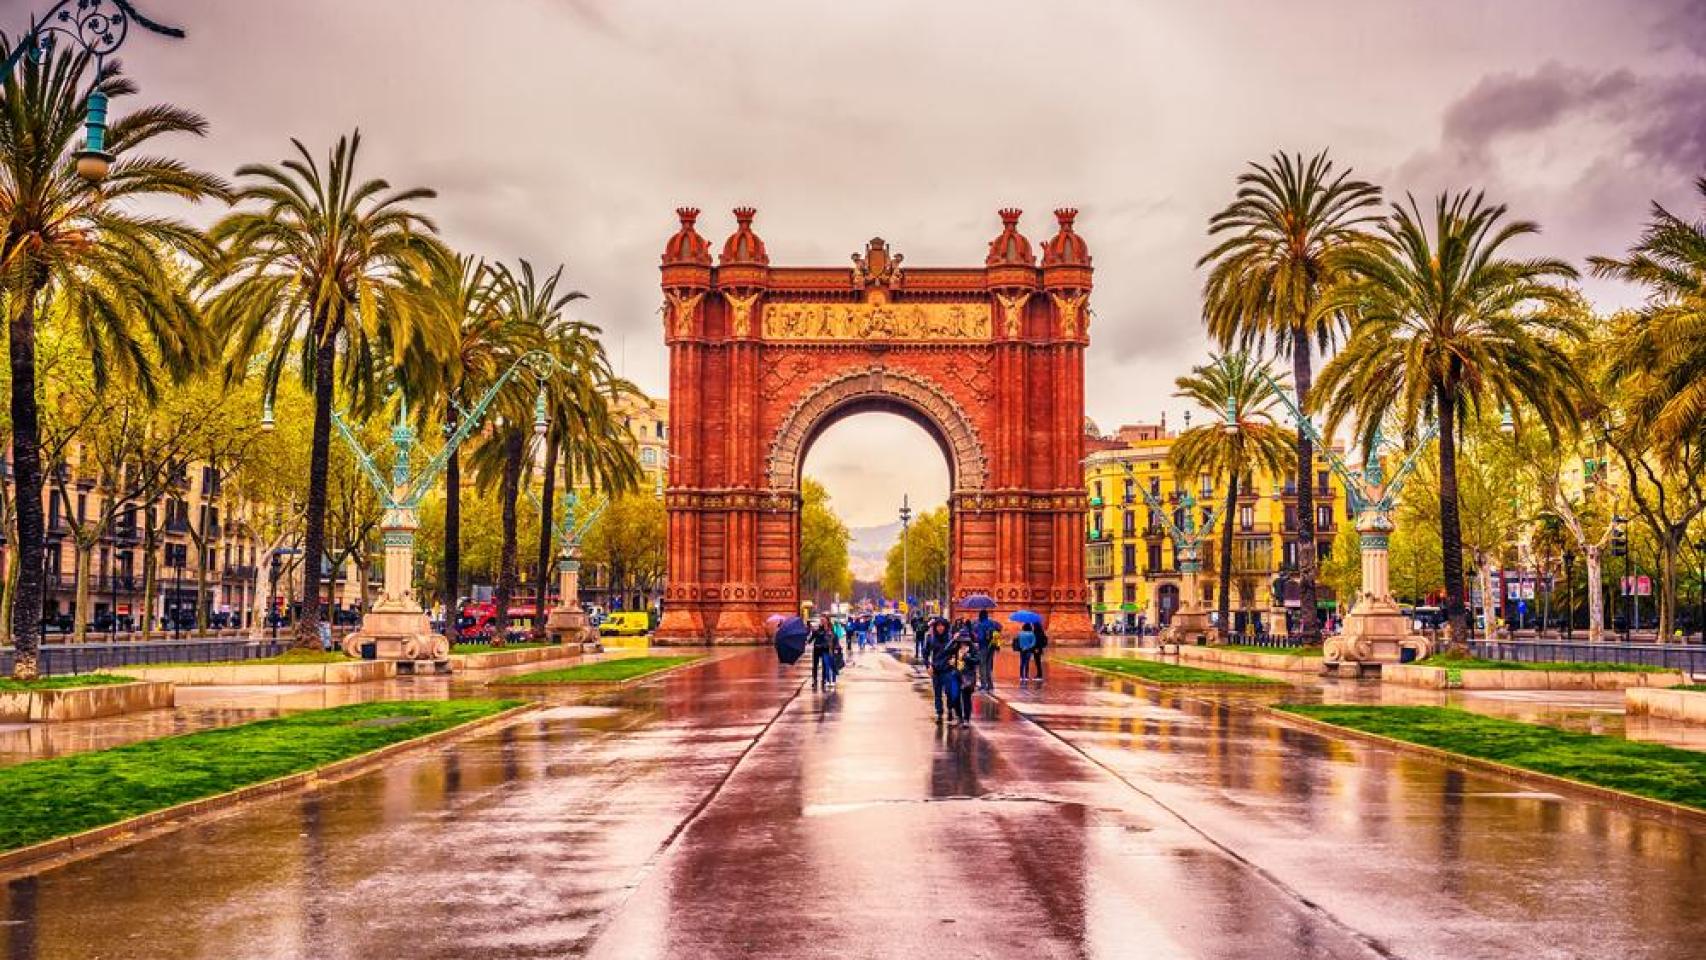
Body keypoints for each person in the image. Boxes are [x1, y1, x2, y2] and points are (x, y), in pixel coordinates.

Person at [925, 618, 955, 722]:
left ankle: (950, 709)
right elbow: (926, 653)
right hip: (936, 670)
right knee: (937, 693)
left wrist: (954, 660)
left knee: (949, 692)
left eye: (942, 625)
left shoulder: (951, 639)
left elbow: (956, 652)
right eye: (938, 626)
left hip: (947, 670)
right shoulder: (931, 638)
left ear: (946, 627)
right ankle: (939, 713)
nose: (940, 628)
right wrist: (928, 666)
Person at [970, 610, 1001, 692]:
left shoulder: (981, 624)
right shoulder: (993, 623)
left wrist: (975, 636)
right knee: (988, 666)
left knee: (982, 665)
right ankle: (990, 685)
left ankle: (983, 685)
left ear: (980, 616)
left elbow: (980, 638)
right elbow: (1000, 627)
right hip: (992, 646)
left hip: (983, 646)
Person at [810, 615, 839, 690]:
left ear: (827, 620)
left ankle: (824, 679)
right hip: (816, 649)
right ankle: (814, 679)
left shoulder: (829, 629)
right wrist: (810, 637)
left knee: (824, 665)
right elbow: (812, 638)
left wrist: (835, 648)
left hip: (824, 649)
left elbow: (832, 638)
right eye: (821, 620)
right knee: (815, 665)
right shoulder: (817, 629)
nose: (821, 621)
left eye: (823, 620)